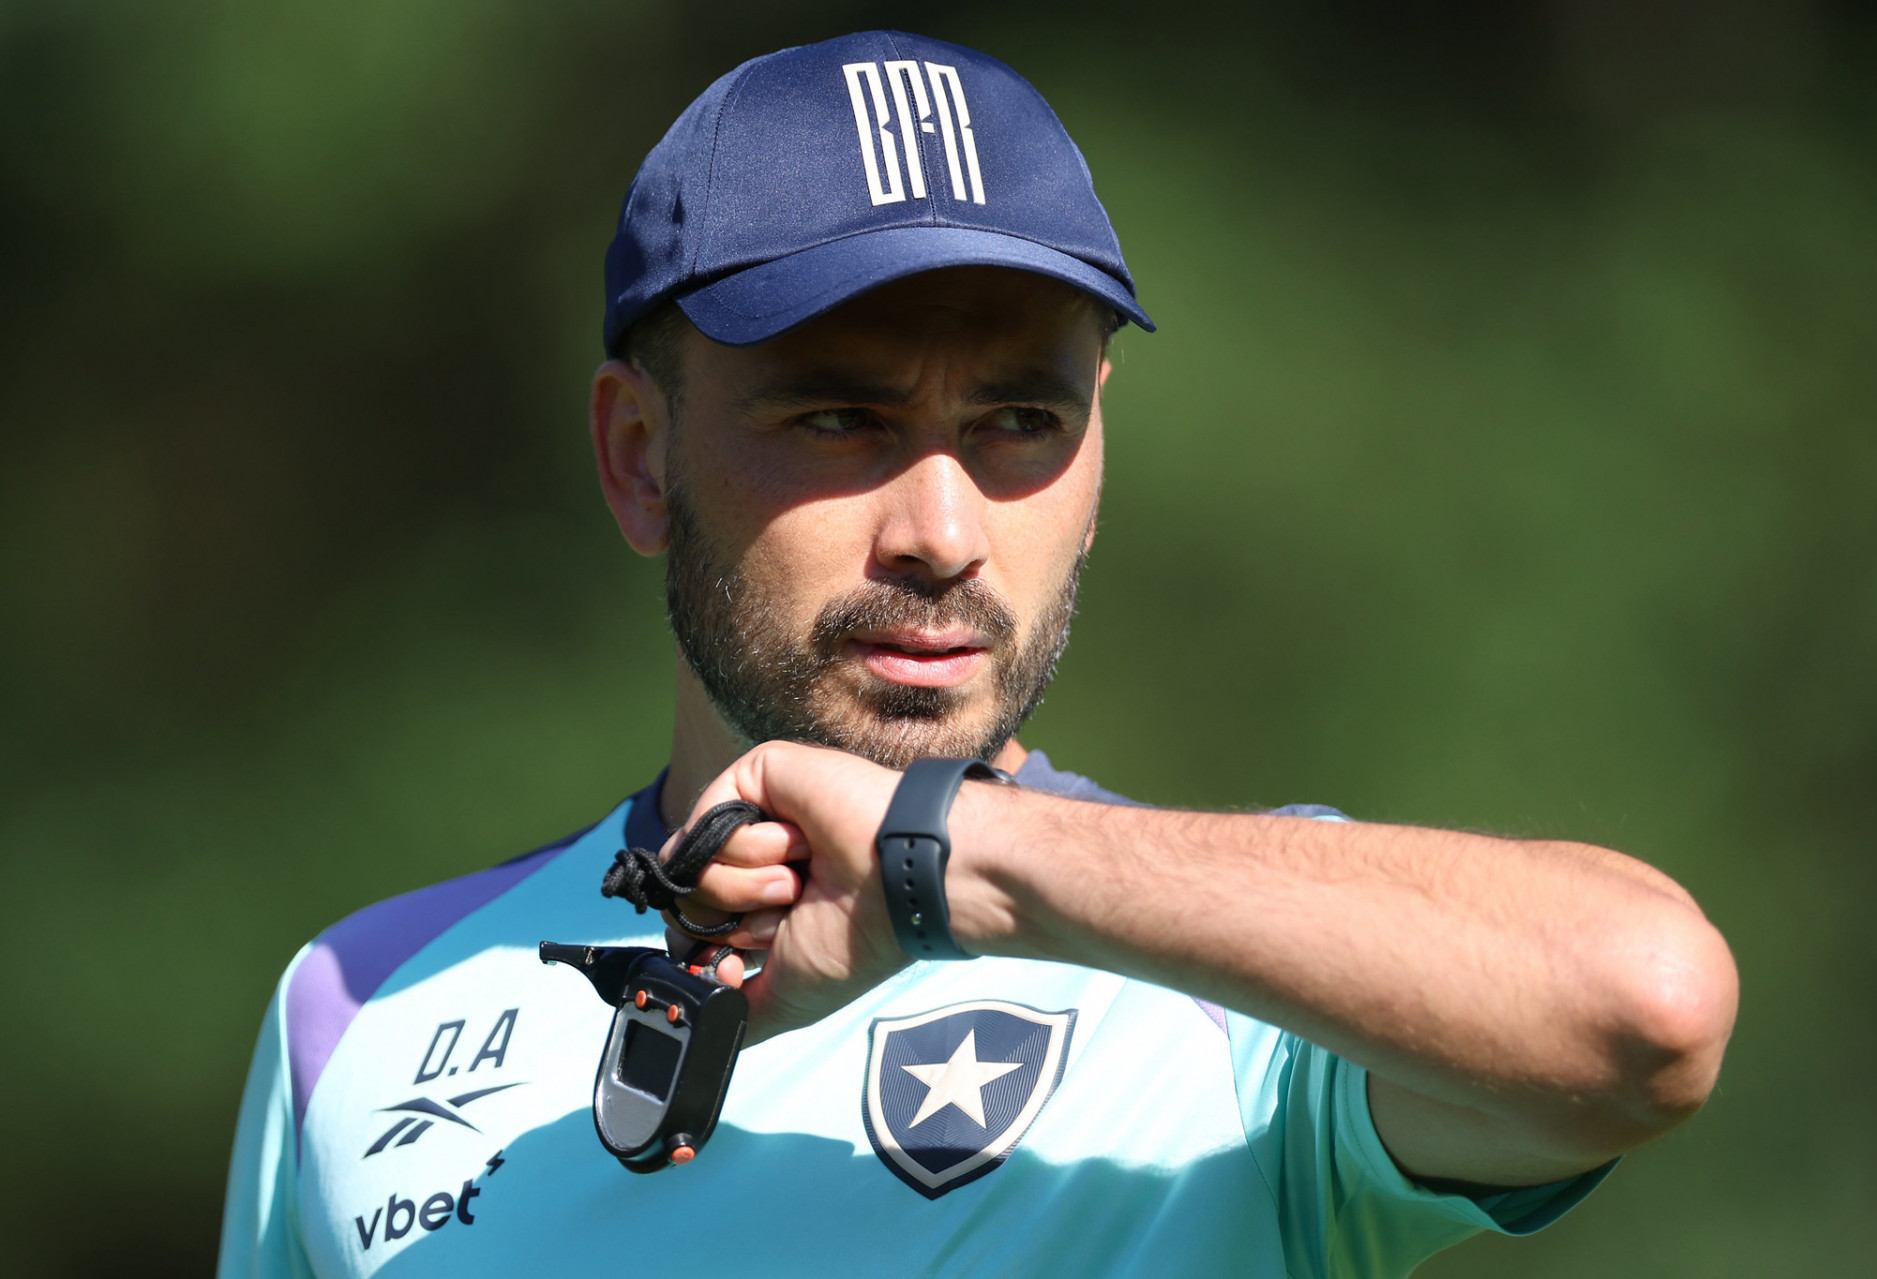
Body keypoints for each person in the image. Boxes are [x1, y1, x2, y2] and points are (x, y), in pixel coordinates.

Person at [217, 29, 1738, 1278]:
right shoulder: (356, 1012)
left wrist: (954, 864)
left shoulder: (1242, 994)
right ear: (639, 457)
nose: (942, 533)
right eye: (840, 418)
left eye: (1020, 420)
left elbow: (1645, 1005)